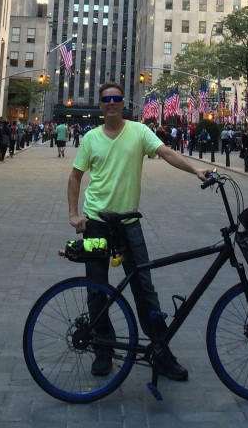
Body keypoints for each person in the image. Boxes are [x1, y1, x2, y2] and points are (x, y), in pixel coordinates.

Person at [67, 81, 208, 381]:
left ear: (123, 103)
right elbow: (75, 177)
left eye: (117, 98)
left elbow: (166, 152)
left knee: (145, 289)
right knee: (97, 289)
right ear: (100, 105)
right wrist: (74, 214)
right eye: (106, 99)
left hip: (129, 224)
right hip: (96, 224)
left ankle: (161, 352)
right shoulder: (91, 138)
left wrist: (195, 169)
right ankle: (103, 350)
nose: (112, 103)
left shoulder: (140, 132)